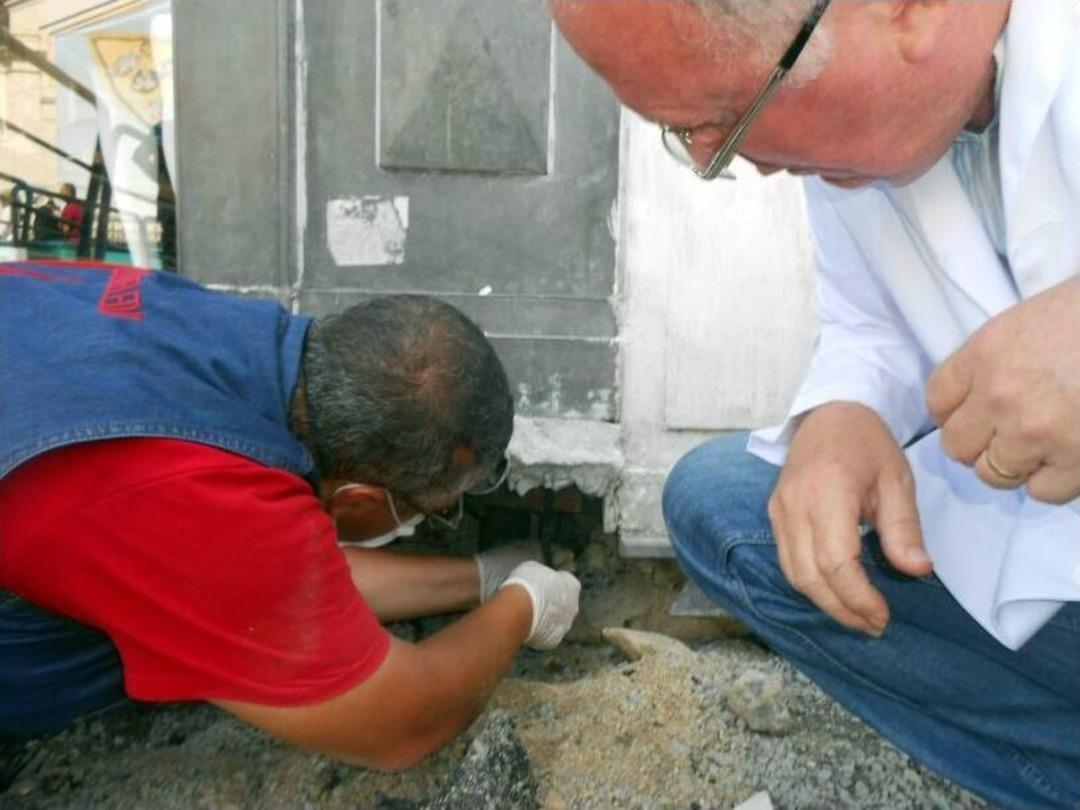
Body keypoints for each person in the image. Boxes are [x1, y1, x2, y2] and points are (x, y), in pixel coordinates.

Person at [550, 1, 1079, 807]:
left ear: (914, 11)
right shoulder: (877, 130)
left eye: (726, 119)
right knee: (730, 508)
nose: (728, 162)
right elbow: (869, 323)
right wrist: (844, 412)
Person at [0, 259, 581, 772]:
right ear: (358, 499)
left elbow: (275, 580)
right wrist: (522, 607)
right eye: (433, 511)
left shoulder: (232, 334)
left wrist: (481, 578)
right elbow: (402, 724)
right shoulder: (189, 499)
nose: (434, 520)